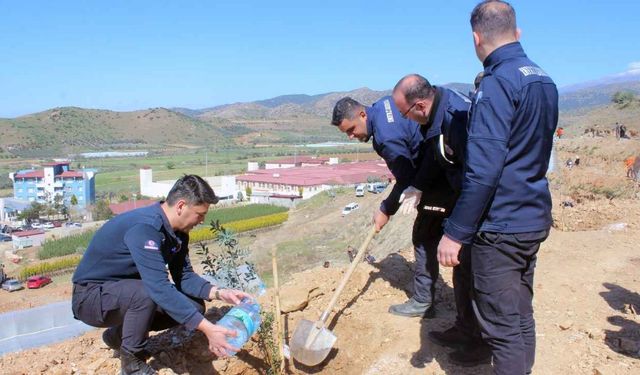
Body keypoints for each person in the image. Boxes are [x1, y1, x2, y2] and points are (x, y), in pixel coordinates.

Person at [437, 1, 558, 373]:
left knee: (503, 328)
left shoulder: (497, 84)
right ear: (516, 32)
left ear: (476, 38)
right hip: (532, 216)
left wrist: (455, 233)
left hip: (501, 227)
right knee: (520, 317)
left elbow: (484, 170)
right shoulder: (542, 78)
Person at [72, 175, 251, 375]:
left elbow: (184, 277)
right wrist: (209, 329)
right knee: (146, 293)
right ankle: (132, 364)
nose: (202, 221)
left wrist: (219, 293)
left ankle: (118, 336)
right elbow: (158, 287)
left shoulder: (178, 234)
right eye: (200, 214)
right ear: (181, 206)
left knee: (194, 306)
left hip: (125, 294)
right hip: (90, 298)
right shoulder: (145, 228)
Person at [392, 74, 489, 365]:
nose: (406, 120)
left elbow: (477, 175)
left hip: (475, 208)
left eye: (405, 113)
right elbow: (436, 158)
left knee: (475, 276)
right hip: (462, 203)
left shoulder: (456, 119)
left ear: (419, 105)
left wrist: (459, 229)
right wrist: (418, 186)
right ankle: (465, 329)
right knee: (462, 272)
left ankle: (483, 344)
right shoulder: (437, 117)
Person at [332, 94, 448, 318]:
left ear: (362, 114)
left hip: (437, 176)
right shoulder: (382, 105)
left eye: (351, 129)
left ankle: (424, 302)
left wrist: (386, 209)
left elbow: (406, 180)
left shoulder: (386, 138)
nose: (350, 136)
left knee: (424, 237)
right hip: (435, 165)